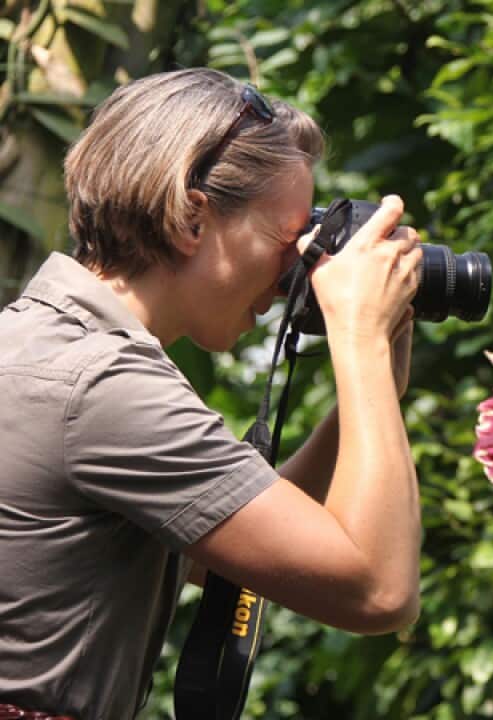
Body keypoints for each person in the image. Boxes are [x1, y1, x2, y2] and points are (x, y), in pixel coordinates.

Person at [0, 68, 424, 719]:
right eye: (287, 240)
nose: (295, 272)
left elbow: (247, 548)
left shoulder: (41, 343)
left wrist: (372, 391)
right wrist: (359, 338)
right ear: (192, 219)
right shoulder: (105, 387)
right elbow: (379, 591)